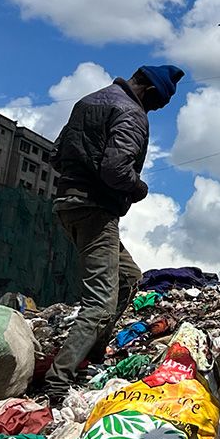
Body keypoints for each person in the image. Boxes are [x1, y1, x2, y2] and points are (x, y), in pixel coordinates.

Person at [43, 64, 185, 404]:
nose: (155, 111)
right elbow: (116, 169)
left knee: (129, 278)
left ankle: (90, 356)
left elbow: (56, 154)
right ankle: (59, 381)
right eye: (158, 105)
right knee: (101, 302)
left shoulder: (89, 101)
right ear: (151, 91)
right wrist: (139, 189)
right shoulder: (131, 114)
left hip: (68, 203)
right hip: (95, 210)